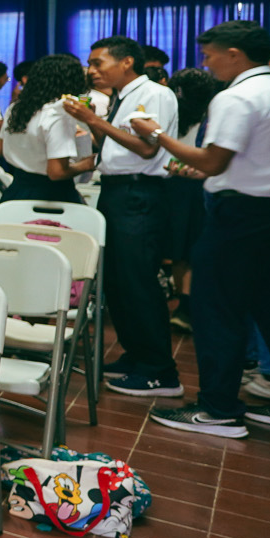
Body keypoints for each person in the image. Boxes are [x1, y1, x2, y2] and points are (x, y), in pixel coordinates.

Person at [132, 21, 270, 439]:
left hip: (239, 216)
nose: (207, 63)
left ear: (235, 54)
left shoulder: (237, 97)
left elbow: (211, 163)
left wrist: (157, 134)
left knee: (216, 310)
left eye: (210, 55)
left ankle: (219, 409)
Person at [61, 37, 181, 397]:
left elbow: (147, 148)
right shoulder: (122, 96)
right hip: (118, 191)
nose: (92, 71)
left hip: (139, 193)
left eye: (99, 63)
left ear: (127, 61)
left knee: (139, 280)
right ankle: (137, 355)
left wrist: (93, 118)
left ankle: (160, 371)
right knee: (118, 280)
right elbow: (115, 144)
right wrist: (91, 123)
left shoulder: (154, 94)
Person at [162, 67, 221, 321]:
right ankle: (189, 305)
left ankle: (183, 303)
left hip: (173, 185)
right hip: (199, 186)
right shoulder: (211, 117)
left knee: (178, 250)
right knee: (194, 248)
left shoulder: (170, 115)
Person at [0, 54, 93, 203]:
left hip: (17, 190)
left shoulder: (15, 108)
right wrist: (87, 164)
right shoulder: (59, 114)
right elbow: (57, 172)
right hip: (51, 195)